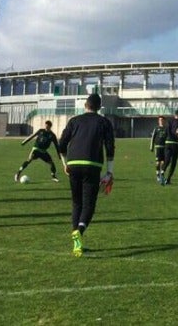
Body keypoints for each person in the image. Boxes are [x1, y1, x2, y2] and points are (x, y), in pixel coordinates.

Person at [58, 94, 116, 257]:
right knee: (88, 205)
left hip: (74, 164)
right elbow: (110, 147)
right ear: (99, 107)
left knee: (77, 203)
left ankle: (77, 243)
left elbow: (61, 145)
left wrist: (65, 164)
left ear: (85, 104)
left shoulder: (74, 121)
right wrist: (109, 171)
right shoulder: (104, 122)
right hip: (92, 165)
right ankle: (79, 231)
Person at [163, 109, 178, 185]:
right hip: (175, 144)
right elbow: (176, 132)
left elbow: (166, 132)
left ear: (174, 114)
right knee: (173, 162)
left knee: (167, 160)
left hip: (167, 143)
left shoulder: (169, 121)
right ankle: (168, 179)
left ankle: (162, 172)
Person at [149, 116, 168, 185]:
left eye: (162, 120)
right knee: (158, 163)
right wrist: (151, 146)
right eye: (160, 120)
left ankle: (162, 175)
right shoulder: (156, 128)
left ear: (164, 121)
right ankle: (158, 176)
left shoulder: (166, 129)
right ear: (158, 121)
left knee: (163, 162)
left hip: (164, 147)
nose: (161, 121)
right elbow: (153, 137)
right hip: (158, 147)